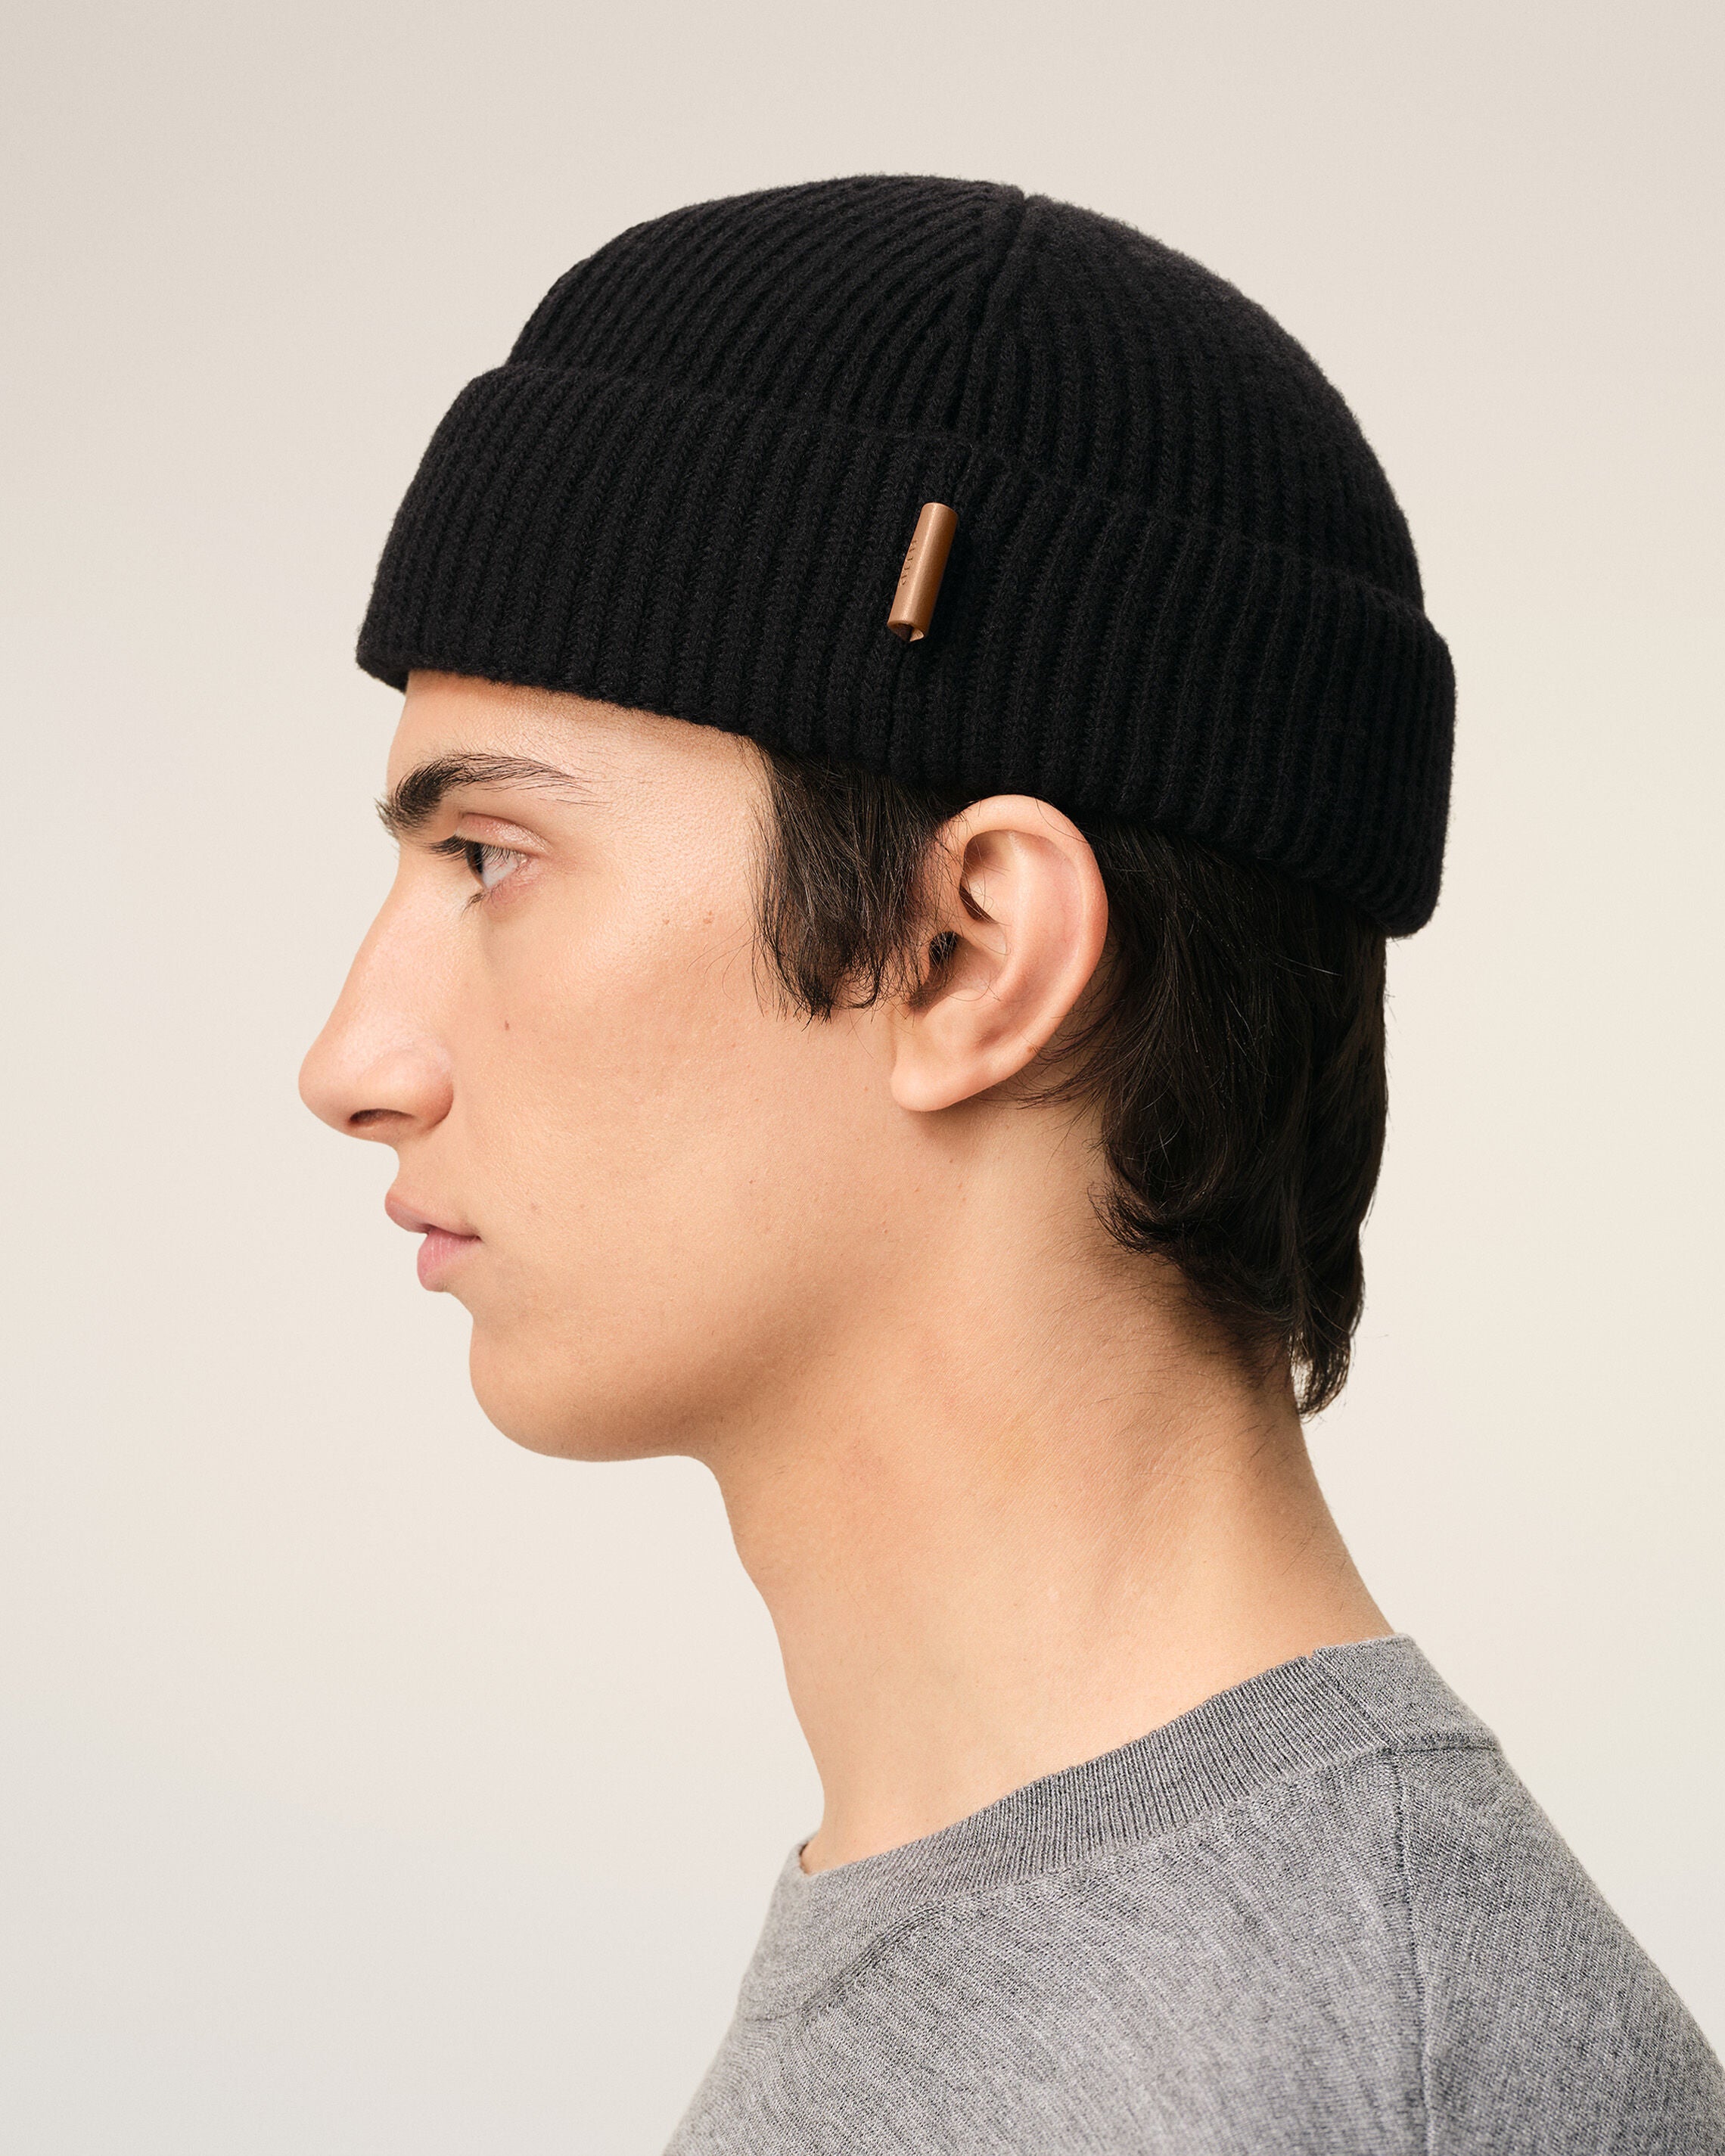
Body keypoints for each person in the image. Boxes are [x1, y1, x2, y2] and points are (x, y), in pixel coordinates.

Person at [299, 176, 1723, 2153]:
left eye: (489, 858)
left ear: (971, 953)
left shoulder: (1269, 2070)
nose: (351, 1065)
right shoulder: (1112, 1960)